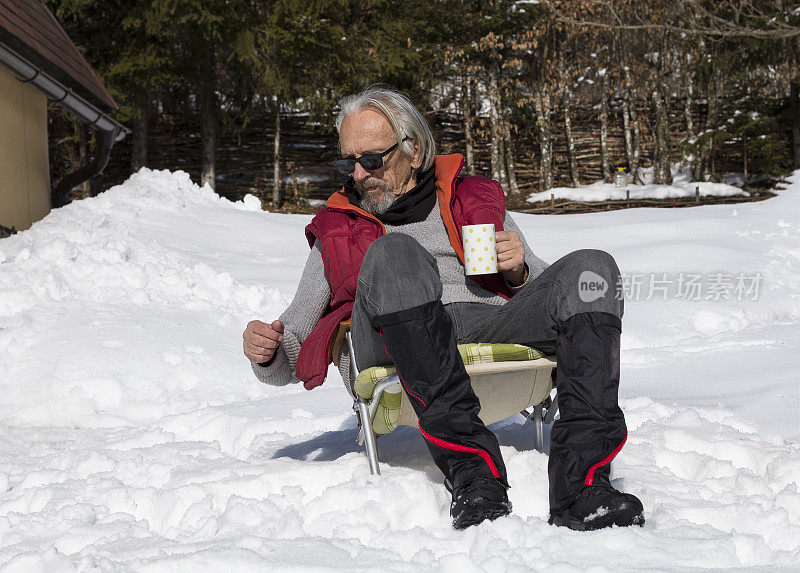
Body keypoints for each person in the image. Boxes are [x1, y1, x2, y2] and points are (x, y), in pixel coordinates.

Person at [243, 87, 644, 531]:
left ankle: (583, 487)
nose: (358, 174)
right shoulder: (339, 229)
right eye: (347, 162)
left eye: (371, 160)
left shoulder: (468, 201)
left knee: (594, 271)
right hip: (391, 340)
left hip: (487, 321)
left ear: (412, 152)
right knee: (395, 253)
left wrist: (520, 270)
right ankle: (473, 473)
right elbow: (293, 341)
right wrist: (269, 351)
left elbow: (559, 288)